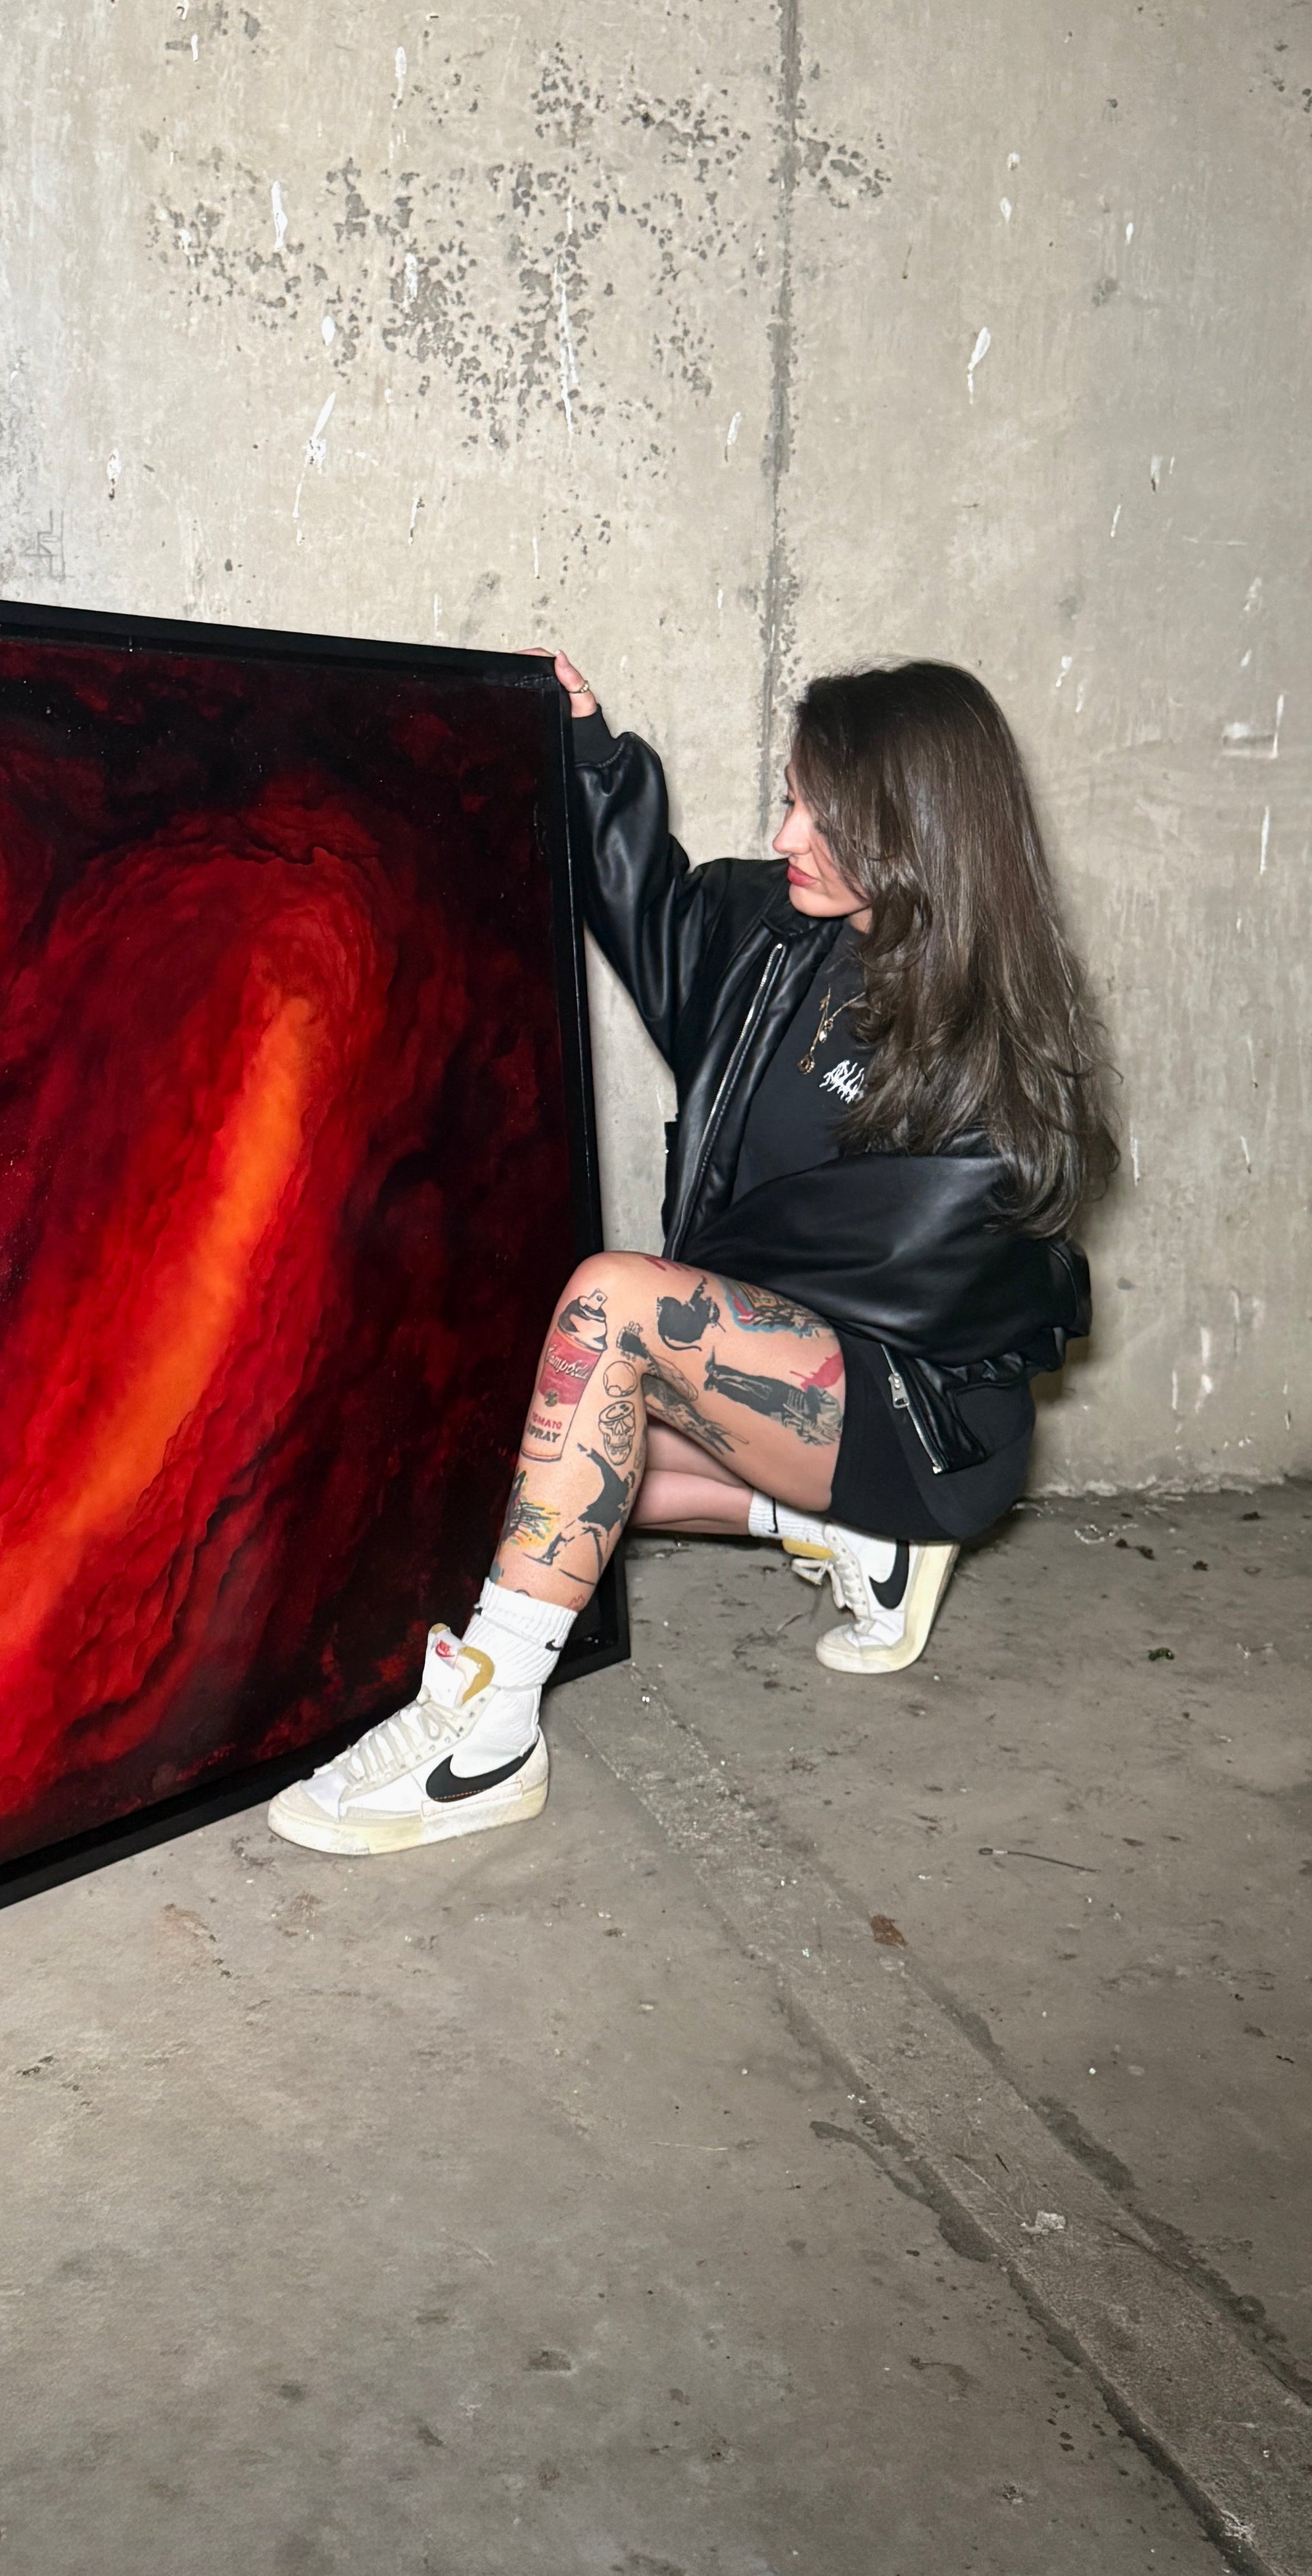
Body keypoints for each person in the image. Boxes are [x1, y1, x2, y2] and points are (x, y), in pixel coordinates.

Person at [269, 654, 1115, 1857]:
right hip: (787, 1388)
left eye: (824, 817)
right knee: (522, 1458)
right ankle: (843, 1539)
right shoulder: (772, 939)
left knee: (613, 1311)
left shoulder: (1006, 1061)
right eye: (790, 798)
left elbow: (922, 1290)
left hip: (920, 1422)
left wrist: (691, 1318)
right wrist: (585, 748)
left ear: (919, 834)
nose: (786, 836)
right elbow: (646, 902)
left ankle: (486, 1736)